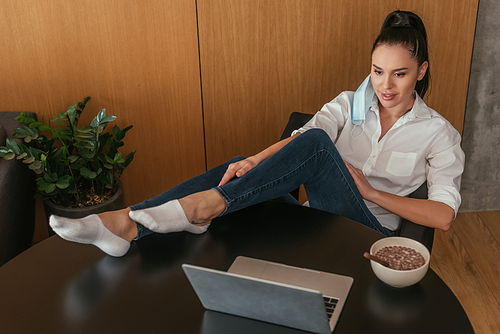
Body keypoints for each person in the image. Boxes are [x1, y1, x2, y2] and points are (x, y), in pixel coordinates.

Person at [49, 10, 465, 257]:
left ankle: (201, 208)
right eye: (376, 72)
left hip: (366, 232)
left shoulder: (438, 133)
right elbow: (302, 137)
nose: (385, 85)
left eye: (399, 73)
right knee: (237, 167)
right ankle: (123, 224)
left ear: (421, 71)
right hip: (314, 219)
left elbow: (443, 217)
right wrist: (254, 161)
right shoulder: (352, 104)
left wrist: (373, 194)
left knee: (318, 147)